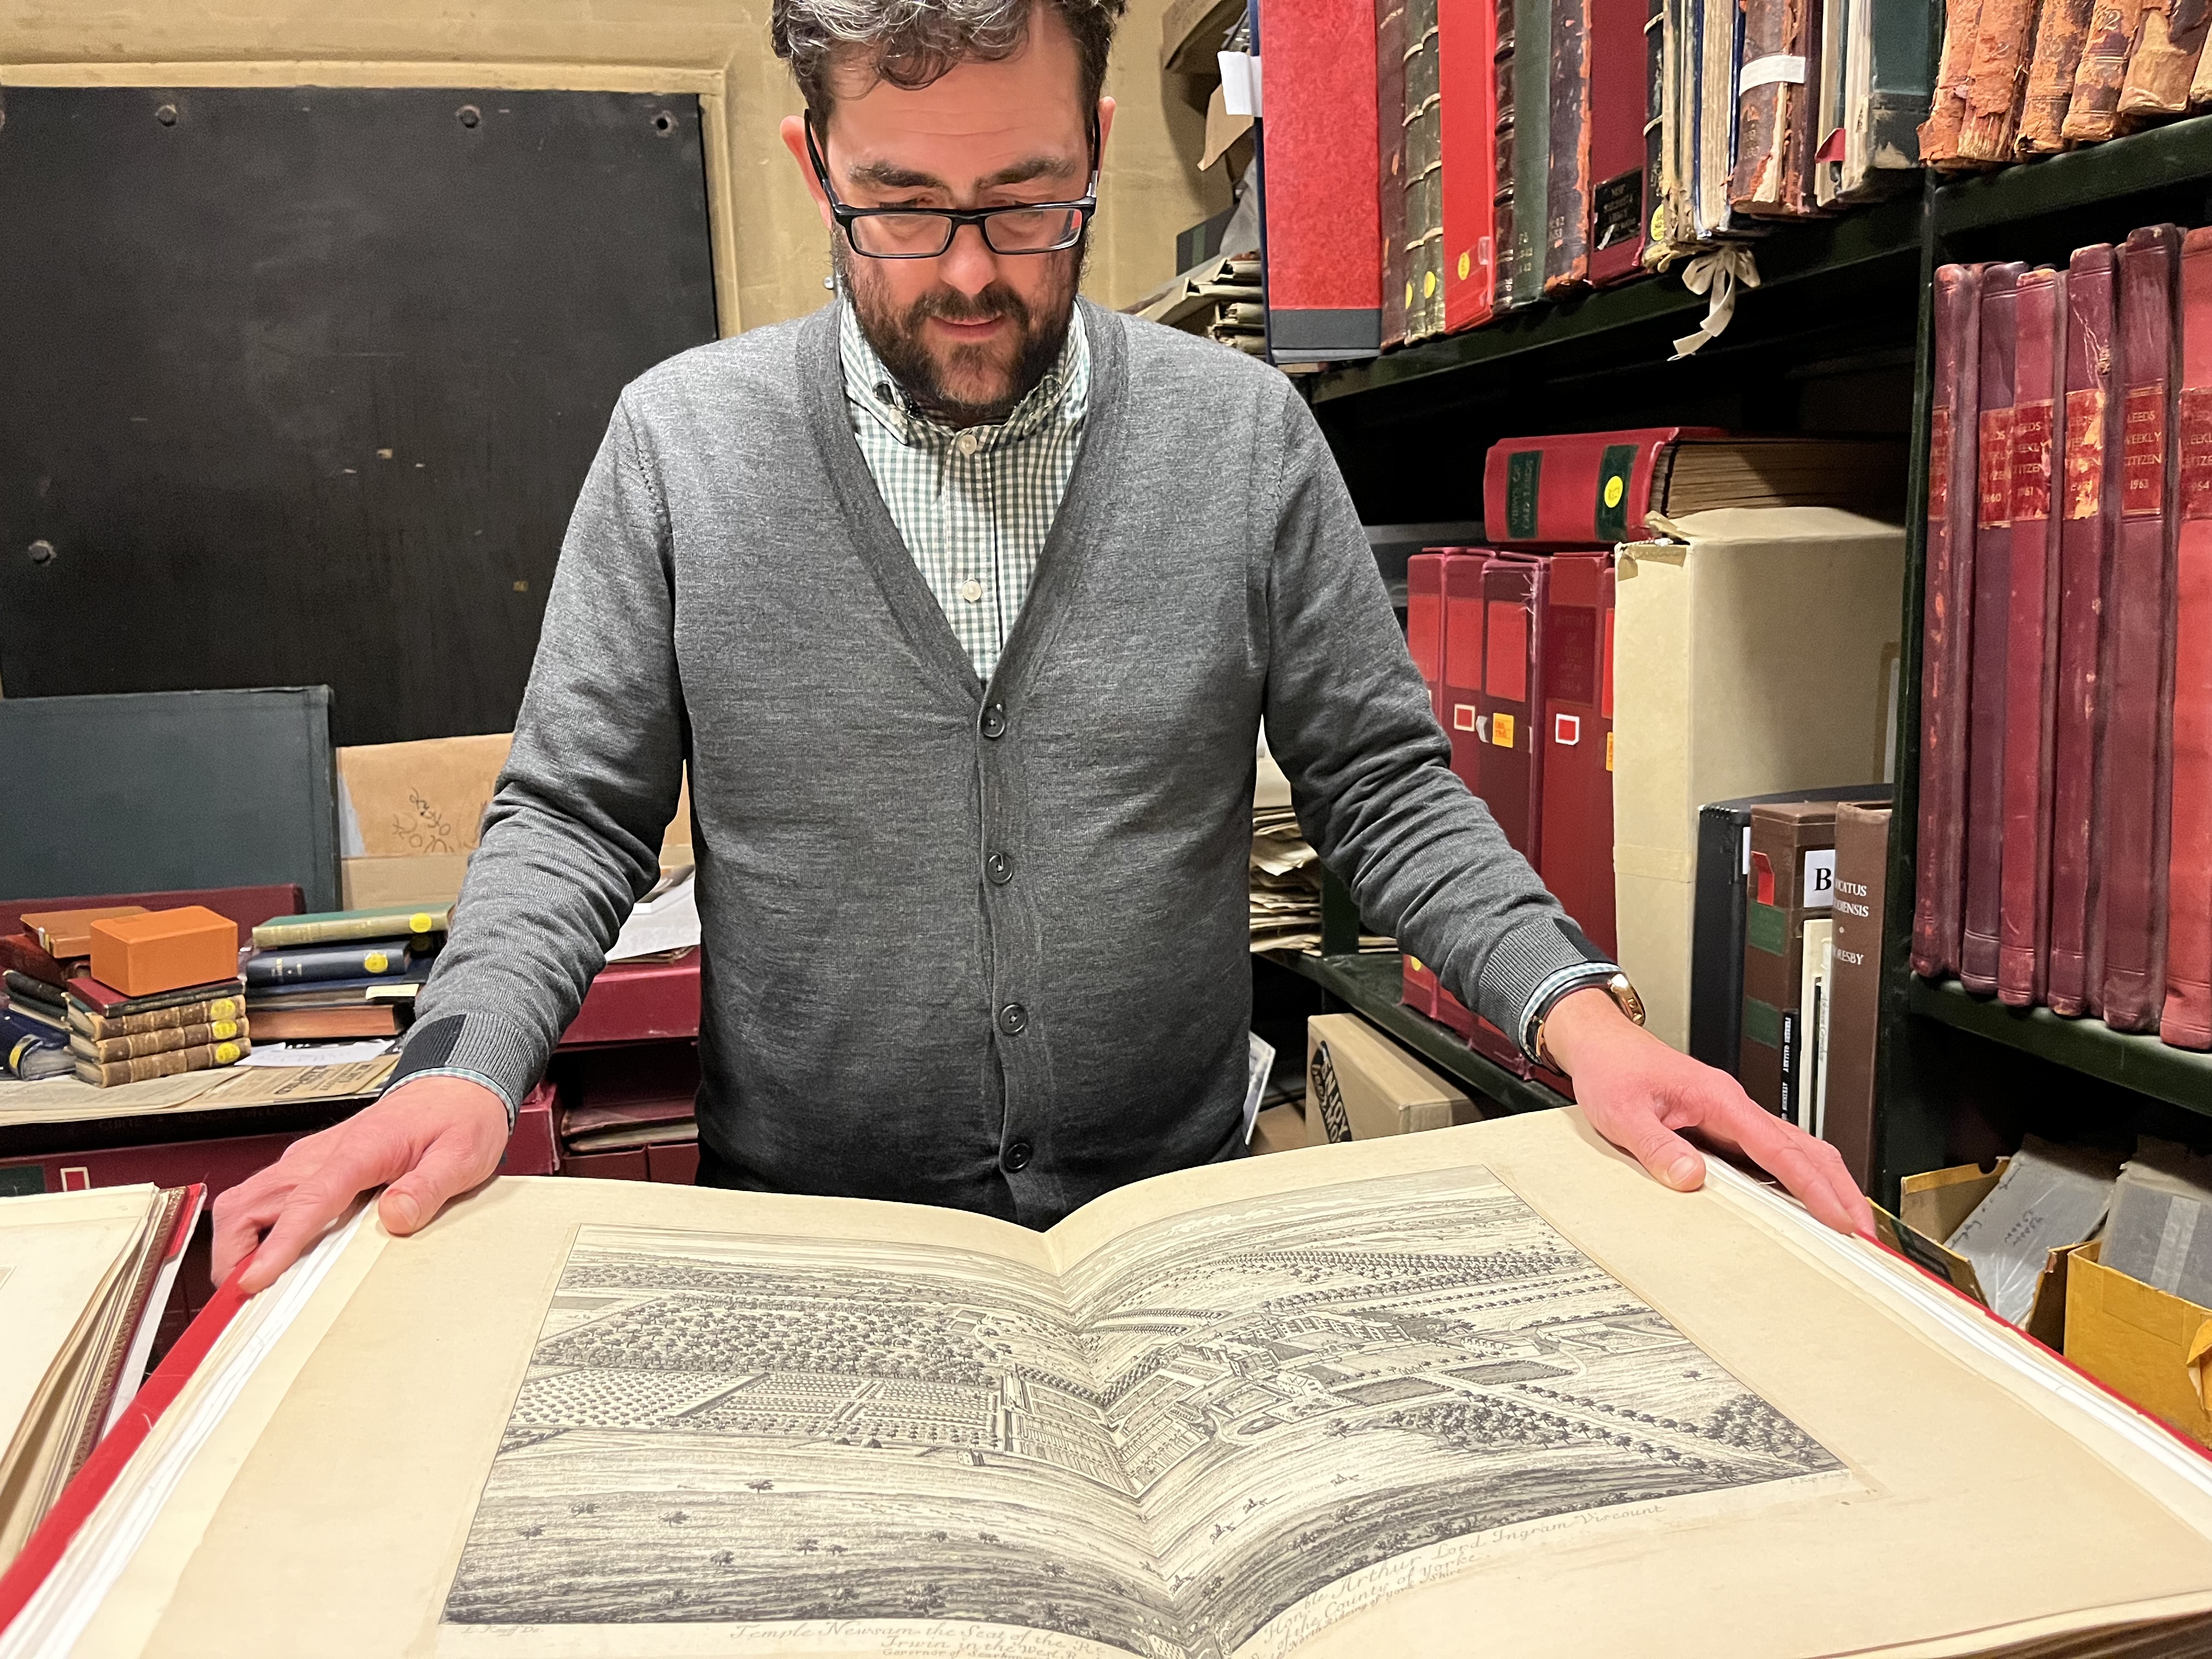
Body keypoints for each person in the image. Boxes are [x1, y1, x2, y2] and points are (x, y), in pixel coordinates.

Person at [213, 0, 1874, 1294]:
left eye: (1026, 205)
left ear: (1095, 144)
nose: (968, 277)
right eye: (899, 209)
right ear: (812, 164)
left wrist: (1587, 1023)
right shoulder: (679, 448)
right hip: (812, 1252)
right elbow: (575, 816)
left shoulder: (1242, 440)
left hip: (1178, 1236)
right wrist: (458, 1067)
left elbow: (1381, 788)